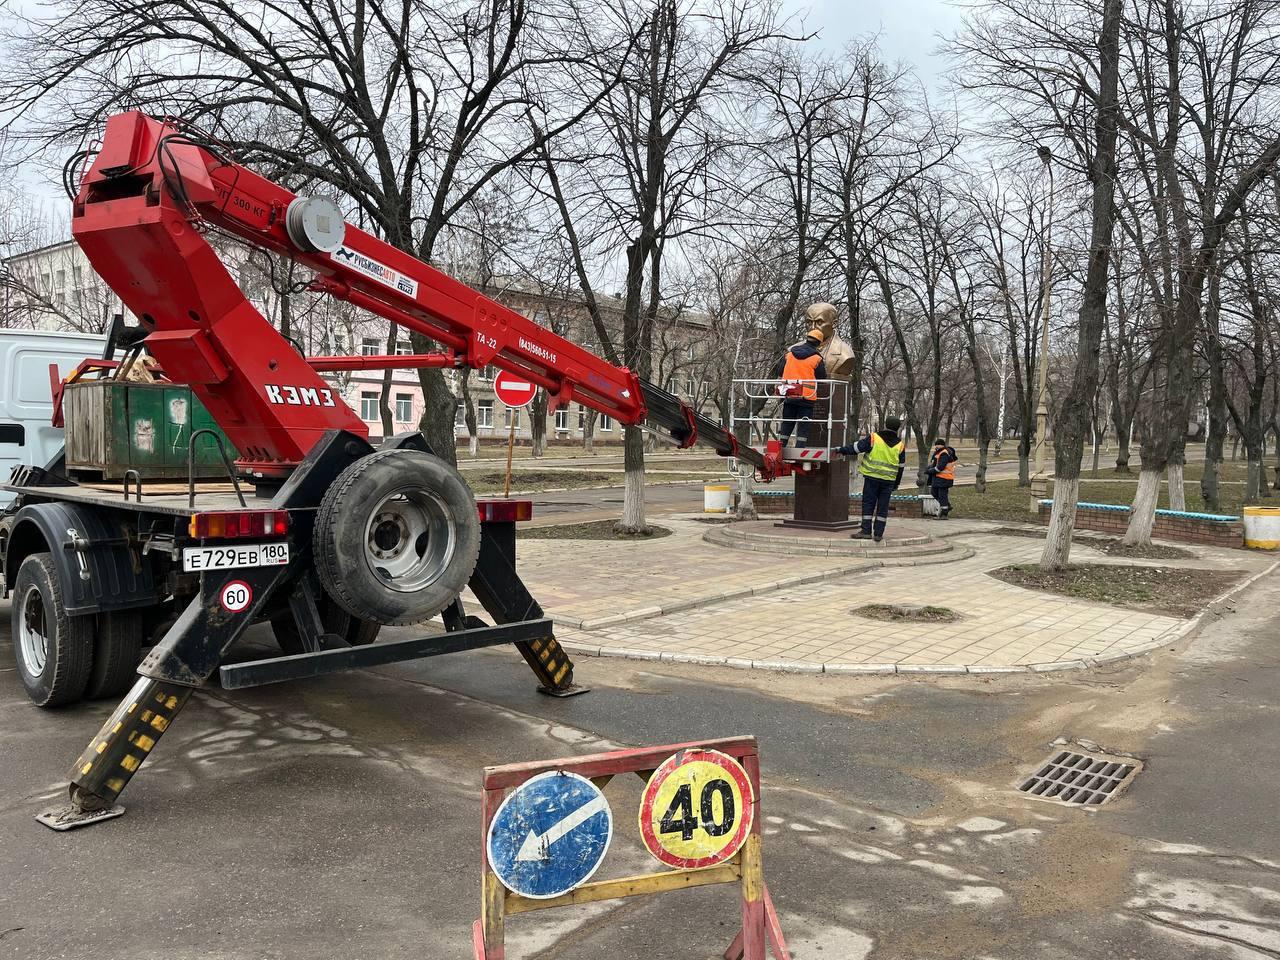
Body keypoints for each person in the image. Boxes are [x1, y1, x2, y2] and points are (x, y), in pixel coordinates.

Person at [838, 416, 907, 542]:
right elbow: (901, 467)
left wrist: (841, 450)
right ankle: (878, 534)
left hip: (872, 479)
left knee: (868, 504)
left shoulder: (875, 438)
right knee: (883, 506)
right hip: (888, 481)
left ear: (885, 425)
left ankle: (866, 531)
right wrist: (896, 484)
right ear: (897, 429)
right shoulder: (900, 445)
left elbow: (856, 448)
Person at [769, 328, 829, 447]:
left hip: (789, 393)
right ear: (819, 343)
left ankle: (781, 446)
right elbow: (821, 377)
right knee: (804, 424)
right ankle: (800, 448)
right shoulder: (817, 359)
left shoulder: (789, 355)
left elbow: (780, 371)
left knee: (787, 422)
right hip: (807, 396)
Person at [926, 438, 958, 519]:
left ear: (941, 445)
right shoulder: (939, 452)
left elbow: (940, 467)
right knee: (934, 493)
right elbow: (934, 464)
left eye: (937, 445)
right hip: (938, 478)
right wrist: (929, 468)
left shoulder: (944, 453)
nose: (935, 447)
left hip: (944, 478)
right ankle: (947, 506)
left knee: (942, 495)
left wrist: (930, 471)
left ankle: (944, 514)